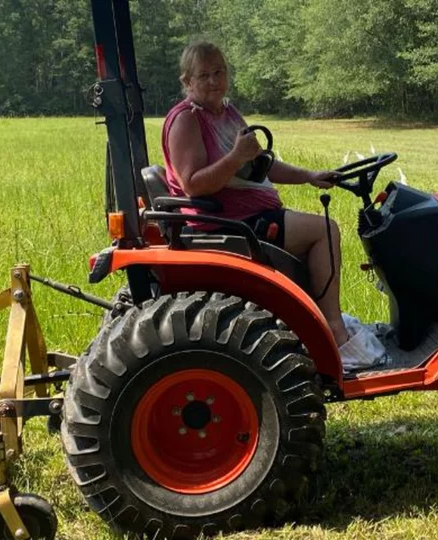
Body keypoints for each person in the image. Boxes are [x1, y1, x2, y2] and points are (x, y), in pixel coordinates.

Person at [161, 41, 387, 370]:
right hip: (225, 222)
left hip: (249, 215)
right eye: (204, 75)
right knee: (324, 230)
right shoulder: (187, 121)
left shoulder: (226, 113)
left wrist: (310, 175)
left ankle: (319, 322)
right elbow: (194, 184)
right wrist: (236, 155)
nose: (214, 81)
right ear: (187, 81)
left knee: (315, 229)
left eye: (219, 72)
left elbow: (262, 165)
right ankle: (335, 333)